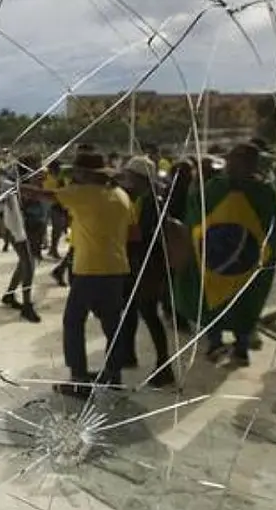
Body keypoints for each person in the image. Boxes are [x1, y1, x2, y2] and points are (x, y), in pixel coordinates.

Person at [25, 151, 133, 396]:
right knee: (112, 324)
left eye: (77, 171)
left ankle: (79, 380)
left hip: (89, 270)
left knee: (73, 322)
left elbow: (42, 195)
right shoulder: (120, 195)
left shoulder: (83, 193)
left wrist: (18, 185)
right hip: (117, 269)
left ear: (85, 174)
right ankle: (113, 374)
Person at [174, 143, 276, 367]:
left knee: (219, 302)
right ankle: (235, 348)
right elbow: (275, 228)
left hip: (218, 260)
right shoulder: (266, 193)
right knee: (242, 302)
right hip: (243, 261)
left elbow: (193, 218)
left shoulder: (216, 188)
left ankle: (222, 346)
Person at [117, 156, 175, 387]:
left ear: (139, 178)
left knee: (149, 314)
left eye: (129, 175)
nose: (126, 179)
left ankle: (164, 366)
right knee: (130, 310)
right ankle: (128, 354)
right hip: (137, 264)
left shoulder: (152, 202)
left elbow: (145, 237)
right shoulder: (143, 198)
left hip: (147, 267)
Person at [0, 163, 41, 323]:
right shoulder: (12, 187)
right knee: (28, 265)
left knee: (24, 263)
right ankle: (27, 305)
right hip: (17, 229)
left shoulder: (20, 186)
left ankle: (9, 295)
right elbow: (5, 210)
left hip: (25, 228)